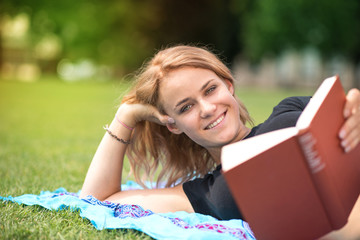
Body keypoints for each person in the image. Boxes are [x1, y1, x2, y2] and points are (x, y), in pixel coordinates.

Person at [79, 45, 360, 221]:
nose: (207, 109)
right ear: (173, 124)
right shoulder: (206, 193)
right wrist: (126, 115)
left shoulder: (290, 110)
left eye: (211, 90)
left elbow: (349, 111)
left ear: (229, 86)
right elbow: (96, 199)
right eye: (186, 107)